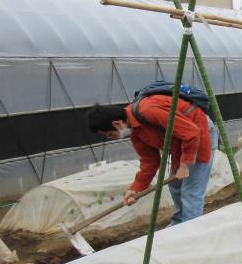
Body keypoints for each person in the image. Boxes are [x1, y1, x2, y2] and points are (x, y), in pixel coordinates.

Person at [86, 96, 217, 225]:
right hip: (180, 142)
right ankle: (179, 225)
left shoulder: (148, 110)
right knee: (175, 185)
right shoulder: (134, 131)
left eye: (110, 135)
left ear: (117, 124)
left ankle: (191, 231)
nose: (113, 138)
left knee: (191, 191)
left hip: (199, 131)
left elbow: (191, 132)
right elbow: (150, 161)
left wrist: (184, 165)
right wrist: (135, 189)